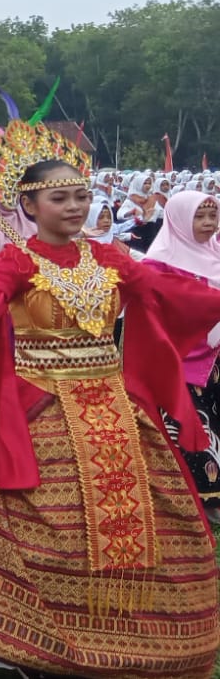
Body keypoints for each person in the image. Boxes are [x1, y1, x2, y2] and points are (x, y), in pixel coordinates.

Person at [0, 128, 220, 677]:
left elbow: (168, 290)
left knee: (151, 516)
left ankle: (133, 634)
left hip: (115, 407)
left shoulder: (112, 257)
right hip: (43, 403)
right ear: (30, 206)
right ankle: (31, 637)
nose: (74, 207)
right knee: (40, 519)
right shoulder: (18, 261)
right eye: (59, 198)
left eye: (81, 196)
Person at [142, 190, 220, 518]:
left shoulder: (216, 252)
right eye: (198, 217)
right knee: (191, 425)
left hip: (214, 358)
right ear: (178, 219)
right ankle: (201, 497)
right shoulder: (158, 263)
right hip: (180, 359)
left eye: (212, 216)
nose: (207, 223)